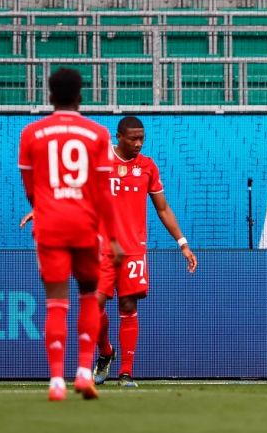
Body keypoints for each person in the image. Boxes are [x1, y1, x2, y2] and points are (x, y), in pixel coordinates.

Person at [18, 67, 124, 401]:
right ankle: (82, 373)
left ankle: (55, 382)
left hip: (49, 225)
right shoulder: (97, 134)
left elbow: (31, 190)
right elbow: (103, 193)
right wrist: (114, 238)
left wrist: (47, 205)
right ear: (81, 96)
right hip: (85, 225)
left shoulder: (31, 134)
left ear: (49, 95)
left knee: (55, 302)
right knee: (90, 295)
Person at [91, 116, 198, 387]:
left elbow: (162, 208)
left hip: (133, 250)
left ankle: (126, 372)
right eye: (133, 138)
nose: (138, 143)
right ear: (119, 136)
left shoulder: (147, 166)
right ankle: (105, 352)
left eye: (142, 139)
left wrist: (182, 243)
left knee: (129, 306)